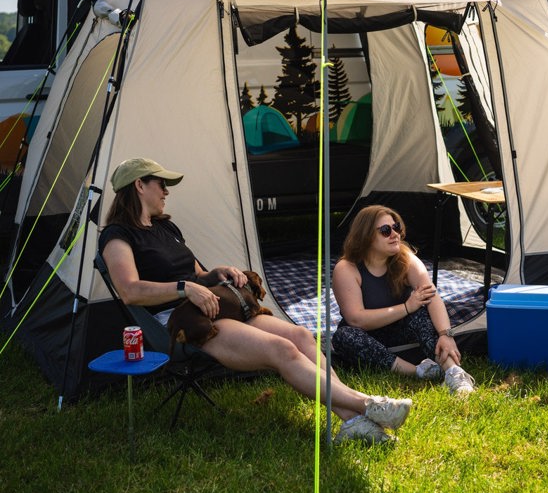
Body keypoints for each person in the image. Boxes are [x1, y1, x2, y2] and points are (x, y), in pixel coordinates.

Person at [99, 158, 411, 444]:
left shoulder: (165, 227)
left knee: (300, 334)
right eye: (161, 184)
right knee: (282, 350)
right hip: (185, 321)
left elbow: (197, 273)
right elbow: (130, 290)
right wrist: (185, 289)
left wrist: (218, 273)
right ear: (139, 185)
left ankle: (352, 420)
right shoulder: (118, 235)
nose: (166, 192)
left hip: (214, 304)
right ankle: (367, 405)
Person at [331, 205, 476, 396]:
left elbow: (432, 297)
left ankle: (454, 373)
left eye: (396, 227)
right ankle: (417, 372)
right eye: (385, 231)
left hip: (402, 334)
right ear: (365, 236)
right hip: (368, 337)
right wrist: (407, 307)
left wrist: (445, 334)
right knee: (344, 337)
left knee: (422, 312)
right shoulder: (347, 269)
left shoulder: (405, 258)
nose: (395, 234)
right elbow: (357, 319)